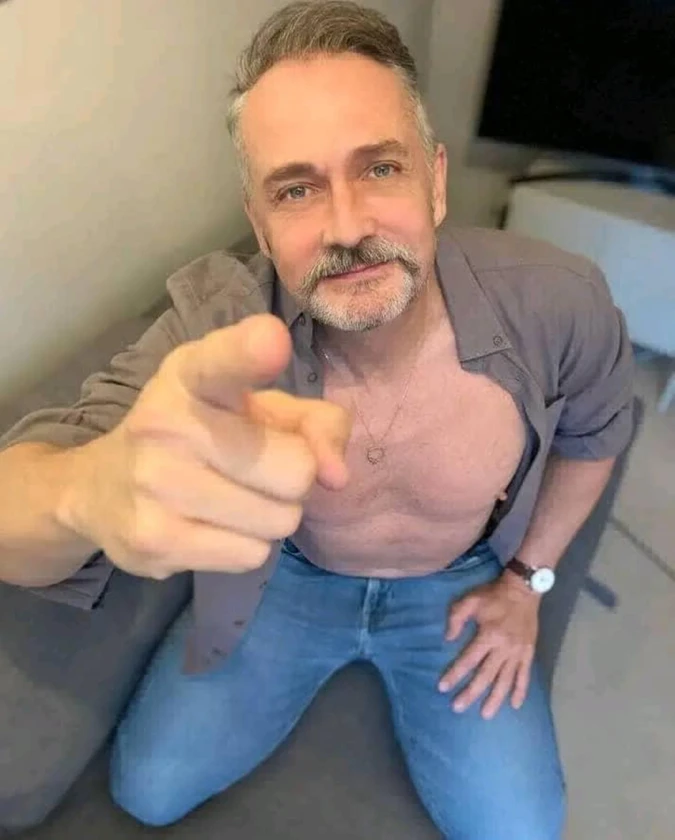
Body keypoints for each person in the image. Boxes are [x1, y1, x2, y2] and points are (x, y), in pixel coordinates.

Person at [0, 2, 634, 838]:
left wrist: (524, 583)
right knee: (145, 791)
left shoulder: (558, 300)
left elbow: (595, 435)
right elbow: (17, 501)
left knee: (520, 830)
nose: (347, 227)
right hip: (290, 583)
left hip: (459, 583)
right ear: (259, 223)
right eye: (296, 189)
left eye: (380, 168)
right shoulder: (219, 320)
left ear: (435, 182)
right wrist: (84, 491)